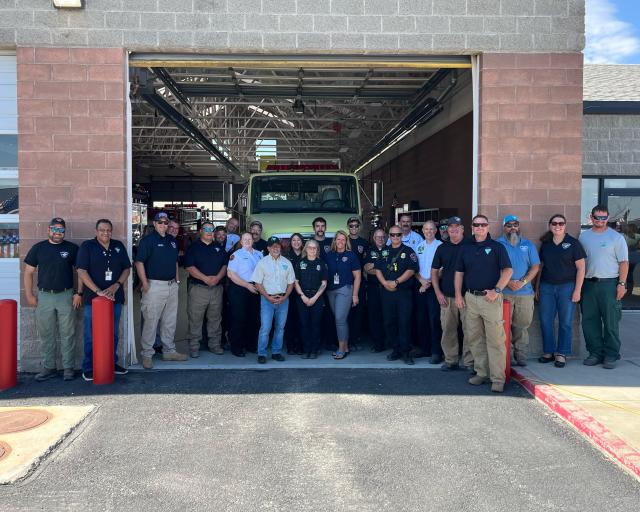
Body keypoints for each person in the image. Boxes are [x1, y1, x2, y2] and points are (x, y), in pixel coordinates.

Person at [455, 214, 512, 393]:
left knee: (495, 340)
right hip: (471, 298)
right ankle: (482, 373)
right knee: (475, 338)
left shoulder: (497, 247)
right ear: (472, 227)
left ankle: (497, 378)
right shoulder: (465, 248)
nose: (480, 227)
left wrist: (497, 290)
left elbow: (508, 270)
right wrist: (458, 295)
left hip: (491, 299)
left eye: (483, 225)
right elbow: (459, 273)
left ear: (488, 227)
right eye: (476, 225)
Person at [23, 217, 82, 381]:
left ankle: (68, 368)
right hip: (44, 296)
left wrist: (79, 293)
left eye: (61, 230)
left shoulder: (71, 248)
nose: (58, 233)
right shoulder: (38, 248)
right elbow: (28, 272)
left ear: (64, 232)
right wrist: (29, 295)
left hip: (66, 295)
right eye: (55, 229)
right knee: (46, 334)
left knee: (68, 333)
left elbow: (81, 272)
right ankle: (49, 367)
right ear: (49, 230)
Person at [76, 219, 131, 381]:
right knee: (90, 334)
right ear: (96, 231)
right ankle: (89, 367)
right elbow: (81, 271)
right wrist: (98, 291)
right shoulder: (87, 247)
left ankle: (111, 363)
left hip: (115, 297)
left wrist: (116, 285)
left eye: (108, 230)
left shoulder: (118, 246)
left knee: (113, 333)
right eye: (102, 230)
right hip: (93, 299)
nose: (105, 233)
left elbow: (126, 269)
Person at [135, 211, 188, 369]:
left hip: (171, 285)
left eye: (166, 223)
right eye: (160, 222)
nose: (163, 225)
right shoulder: (147, 241)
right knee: (151, 321)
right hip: (154, 286)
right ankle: (147, 354)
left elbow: (174, 263)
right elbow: (139, 263)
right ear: (154, 223)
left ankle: (169, 351)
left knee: (169, 321)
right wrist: (144, 283)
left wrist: (177, 281)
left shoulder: (172, 241)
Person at [579, 205, 629, 369]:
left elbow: (624, 262)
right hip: (589, 284)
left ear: (607, 218)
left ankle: (611, 355)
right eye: (597, 217)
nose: (600, 220)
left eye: (604, 217)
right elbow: (580, 263)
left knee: (611, 321)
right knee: (589, 321)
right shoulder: (583, 237)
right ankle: (595, 353)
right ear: (591, 218)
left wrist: (622, 284)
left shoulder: (616, 238)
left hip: (609, 284)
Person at [536, 214, 586, 368]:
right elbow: (540, 267)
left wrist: (577, 290)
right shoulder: (546, 244)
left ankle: (562, 353)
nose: (558, 226)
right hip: (546, 287)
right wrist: (537, 287)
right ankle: (548, 352)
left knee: (565, 322)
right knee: (545, 321)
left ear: (565, 225)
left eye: (561, 223)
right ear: (550, 225)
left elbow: (581, 268)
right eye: (554, 223)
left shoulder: (573, 243)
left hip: (567, 287)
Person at [496, 215, 540, 367]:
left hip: (525, 293)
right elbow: (493, 267)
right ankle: (508, 357)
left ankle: (520, 356)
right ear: (504, 227)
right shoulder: (497, 244)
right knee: (503, 326)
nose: (512, 227)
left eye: (515, 224)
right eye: (509, 225)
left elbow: (535, 267)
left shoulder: (528, 244)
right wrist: (507, 282)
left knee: (522, 326)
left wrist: (523, 282)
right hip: (504, 292)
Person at [431, 216, 472, 371]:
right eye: (450, 226)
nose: (453, 229)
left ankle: (470, 362)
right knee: (448, 330)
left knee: (470, 331)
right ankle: (451, 360)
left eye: (457, 226)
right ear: (447, 229)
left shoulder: (471, 245)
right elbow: (434, 272)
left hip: (468, 296)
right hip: (447, 296)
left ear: (462, 228)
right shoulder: (442, 248)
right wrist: (438, 293)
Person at [184, 221, 229, 358]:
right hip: (198, 289)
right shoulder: (194, 247)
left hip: (216, 289)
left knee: (215, 319)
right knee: (195, 319)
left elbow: (225, 265)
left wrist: (216, 278)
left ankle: (214, 345)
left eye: (211, 229)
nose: (209, 231)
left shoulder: (219, 247)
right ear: (201, 231)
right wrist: (206, 279)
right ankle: (194, 347)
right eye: (207, 229)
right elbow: (189, 267)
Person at [375, 224, 419, 365]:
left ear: (402, 236)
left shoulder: (408, 251)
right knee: (389, 322)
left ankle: (406, 352)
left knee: (404, 322)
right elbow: (377, 270)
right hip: (387, 292)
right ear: (389, 236)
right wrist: (385, 283)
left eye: (398, 235)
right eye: (392, 235)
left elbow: (412, 270)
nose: (395, 237)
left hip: (403, 293)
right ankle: (396, 349)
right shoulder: (384, 251)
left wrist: (396, 282)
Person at [252, 236, 296, 364]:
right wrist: (268, 297)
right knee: (265, 327)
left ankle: (276, 352)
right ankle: (262, 353)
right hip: (267, 300)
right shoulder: (262, 263)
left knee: (280, 328)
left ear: (280, 247)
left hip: (283, 299)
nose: (275, 248)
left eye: (277, 246)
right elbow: (258, 283)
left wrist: (285, 297)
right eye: (273, 246)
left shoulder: (287, 263)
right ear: (268, 248)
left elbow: (291, 283)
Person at [325, 230, 361, 359]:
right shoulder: (329, 255)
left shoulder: (351, 255)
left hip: (345, 289)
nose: (340, 242)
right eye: (338, 239)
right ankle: (345, 346)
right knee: (340, 319)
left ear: (346, 242)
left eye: (343, 239)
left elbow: (357, 276)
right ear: (334, 241)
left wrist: (355, 295)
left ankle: (341, 349)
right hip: (330, 290)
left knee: (339, 319)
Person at [227, 232, 263, 357]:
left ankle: (251, 345)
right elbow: (231, 274)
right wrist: (247, 285)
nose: (247, 241)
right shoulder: (236, 255)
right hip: (240, 289)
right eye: (245, 239)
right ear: (241, 242)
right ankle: (237, 347)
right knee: (239, 319)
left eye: (249, 239)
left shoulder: (259, 254)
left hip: (256, 288)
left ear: (253, 241)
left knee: (254, 319)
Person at [413, 220, 443, 363]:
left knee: (434, 320)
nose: (429, 231)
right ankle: (424, 349)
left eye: (431, 229)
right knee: (421, 319)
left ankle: (436, 351)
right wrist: (421, 281)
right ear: (423, 231)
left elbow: (442, 269)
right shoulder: (419, 246)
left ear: (435, 231)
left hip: (434, 288)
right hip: (421, 286)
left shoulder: (441, 246)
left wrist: (429, 282)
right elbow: (414, 268)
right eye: (426, 229)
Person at [294, 239, 328, 358]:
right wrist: (303, 296)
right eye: (310, 247)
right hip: (302, 297)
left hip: (317, 297)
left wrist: (314, 298)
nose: (312, 250)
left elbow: (324, 283)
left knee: (315, 324)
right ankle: (305, 349)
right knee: (304, 324)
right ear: (306, 249)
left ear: (317, 250)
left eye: (315, 248)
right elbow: (295, 282)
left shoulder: (321, 263)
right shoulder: (300, 263)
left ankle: (314, 350)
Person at [363, 228, 387, 352]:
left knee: (388, 315)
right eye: (378, 237)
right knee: (374, 316)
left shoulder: (390, 249)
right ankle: (378, 343)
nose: (380, 239)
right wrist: (381, 264)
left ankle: (389, 341)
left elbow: (393, 269)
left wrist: (375, 266)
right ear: (374, 238)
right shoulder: (369, 250)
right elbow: (367, 268)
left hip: (388, 288)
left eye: (382, 237)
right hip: (373, 288)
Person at [346, 216, 368, 348]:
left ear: (359, 227)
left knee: (358, 311)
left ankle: (356, 338)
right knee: (346, 311)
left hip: (359, 281)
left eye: (356, 225)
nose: (354, 228)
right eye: (351, 225)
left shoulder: (364, 243)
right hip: (345, 281)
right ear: (348, 227)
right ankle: (346, 339)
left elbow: (366, 263)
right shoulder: (343, 241)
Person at [284, 233, 304, 355]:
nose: (296, 242)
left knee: (302, 320)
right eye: (294, 240)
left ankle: (301, 345)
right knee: (290, 320)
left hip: (303, 292)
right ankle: (290, 346)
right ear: (291, 242)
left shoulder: (307, 254)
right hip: (289, 292)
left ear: (302, 242)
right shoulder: (286, 256)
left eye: (298, 240)